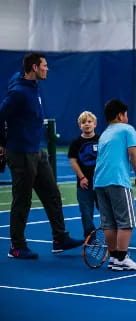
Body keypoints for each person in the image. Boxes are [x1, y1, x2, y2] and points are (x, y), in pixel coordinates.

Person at [0, 52, 83, 259]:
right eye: (44, 65)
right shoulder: (19, 92)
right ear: (35, 68)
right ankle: (16, 246)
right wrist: (2, 143)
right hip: (21, 153)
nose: (47, 69)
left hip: (37, 151)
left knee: (52, 194)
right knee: (23, 200)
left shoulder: (30, 86)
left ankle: (60, 239)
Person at [94, 99, 136, 270]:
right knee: (126, 221)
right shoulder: (127, 129)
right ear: (120, 115)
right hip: (118, 181)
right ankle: (122, 258)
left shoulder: (104, 134)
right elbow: (134, 153)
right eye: (126, 114)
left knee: (109, 223)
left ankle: (114, 258)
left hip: (99, 182)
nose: (127, 117)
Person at [68, 111, 100, 239]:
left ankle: (110, 234)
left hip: (100, 182)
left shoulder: (101, 140)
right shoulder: (76, 143)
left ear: (95, 124)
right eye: (83, 122)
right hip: (84, 184)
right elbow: (73, 161)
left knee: (106, 210)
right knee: (86, 212)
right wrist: (82, 177)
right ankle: (90, 236)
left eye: (89, 121)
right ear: (79, 126)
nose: (87, 124)